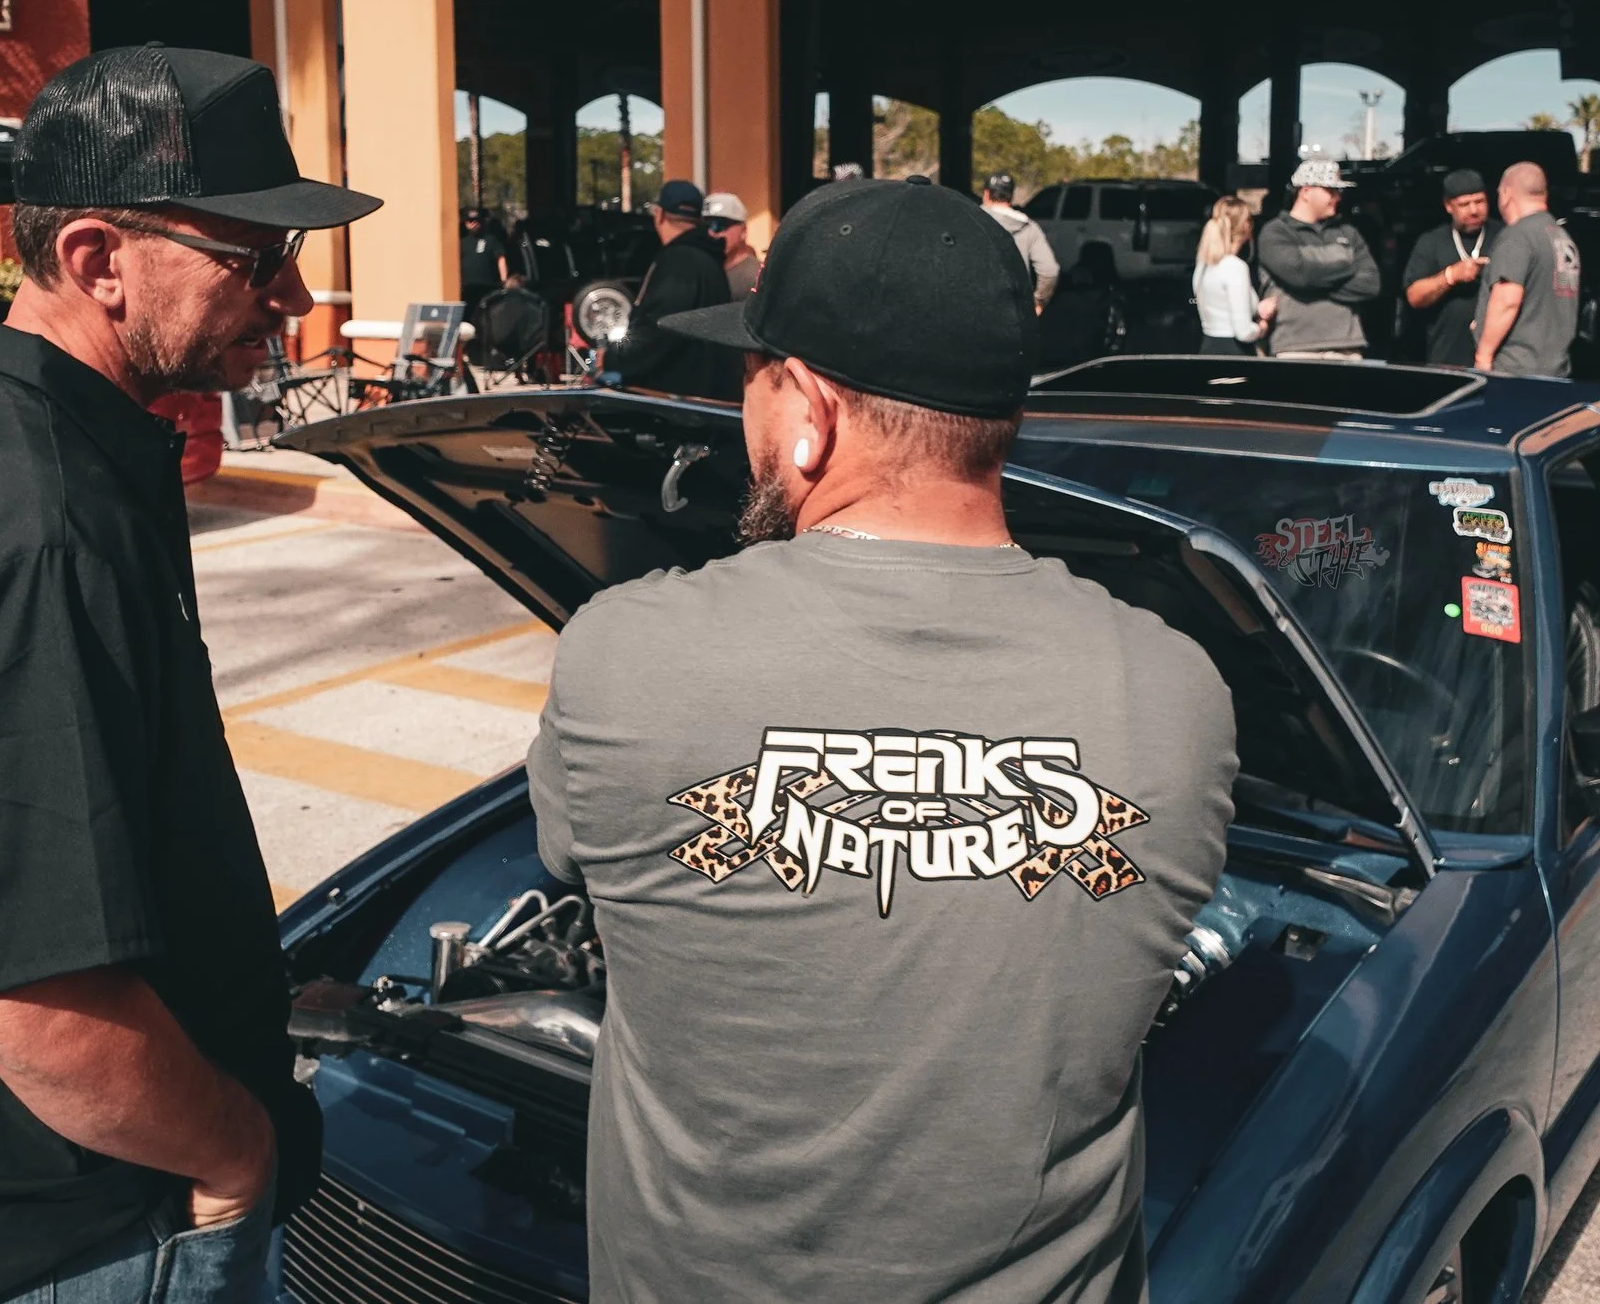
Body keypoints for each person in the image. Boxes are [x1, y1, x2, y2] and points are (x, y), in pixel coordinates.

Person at [528, 177, 1239, 1304]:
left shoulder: (623, 653)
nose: (745, 413)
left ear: (809, 408)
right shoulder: (1179, 691)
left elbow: (571, 863)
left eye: (752, 379)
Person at [0, 46, 365, 1304]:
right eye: (256, 255)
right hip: (79, 1221)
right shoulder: (35, 517)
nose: (298, 293)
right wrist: (234, 1156)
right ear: (100, 258)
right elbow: (32, 999)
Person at [606, 177, 738, 399]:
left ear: (659, 215)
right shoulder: (709, 258)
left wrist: (614, 359)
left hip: (679, 404)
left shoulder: (678, 261)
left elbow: (660, 329)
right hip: (709, 398)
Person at [1255, 157, 1379, 359]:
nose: (1338, 197)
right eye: (1330, 190)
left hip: (1347, 347)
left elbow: (1371, 285)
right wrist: (1345, 261)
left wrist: (1306, 286)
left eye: (1338, 191)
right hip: (1294, 348)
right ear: (1305, 191)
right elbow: (1300, 275)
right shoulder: (1275, 232)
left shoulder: (1349, 232)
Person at [1472, 160, 1582, 375]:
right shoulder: (1560, 236)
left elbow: (1507, 301)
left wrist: (1483, 356)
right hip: (1555, 368)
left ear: (1506, 193)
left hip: (1515, 371)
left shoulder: (1518, 237)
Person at [1400, 169, 1500, 366]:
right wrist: (1451, 276)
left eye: (1479, 202)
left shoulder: (1504, 235)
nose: (1473, 210)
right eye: (1464, 204)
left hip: (1499, 357)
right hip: (1447, 356)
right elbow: (1414, 296)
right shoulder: (1432, 241)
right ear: (1448, 206)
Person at [1192, 194, 1267, 353]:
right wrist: (1261, 328)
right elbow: (1243, 331)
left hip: (1208, 347)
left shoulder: (1203, 265)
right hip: (1234, 352)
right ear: (1246, 226)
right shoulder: (1235, 267)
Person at [980, 170, 1059, 311]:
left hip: (978, 305)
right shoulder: (1029, 227)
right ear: (1011, 196)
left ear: (986, 194)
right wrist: (1039, 302)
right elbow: (1049, 270)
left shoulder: (971, 221)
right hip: (1016, 308)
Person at [705, 190, 763, 298]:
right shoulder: (701, 271)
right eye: (706, 225)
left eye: (720, 225)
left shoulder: (756, 277)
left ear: (743, 231)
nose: (712, 232)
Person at [457, 205, 511, 312]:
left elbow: (500, 259)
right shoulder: (462, 242)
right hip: (468, 287)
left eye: (476, 220)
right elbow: (456, 263)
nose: (473, 223)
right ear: (466, 223)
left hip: (488, 287)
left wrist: (504, 280)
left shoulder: (491, 240)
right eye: (470, 221)